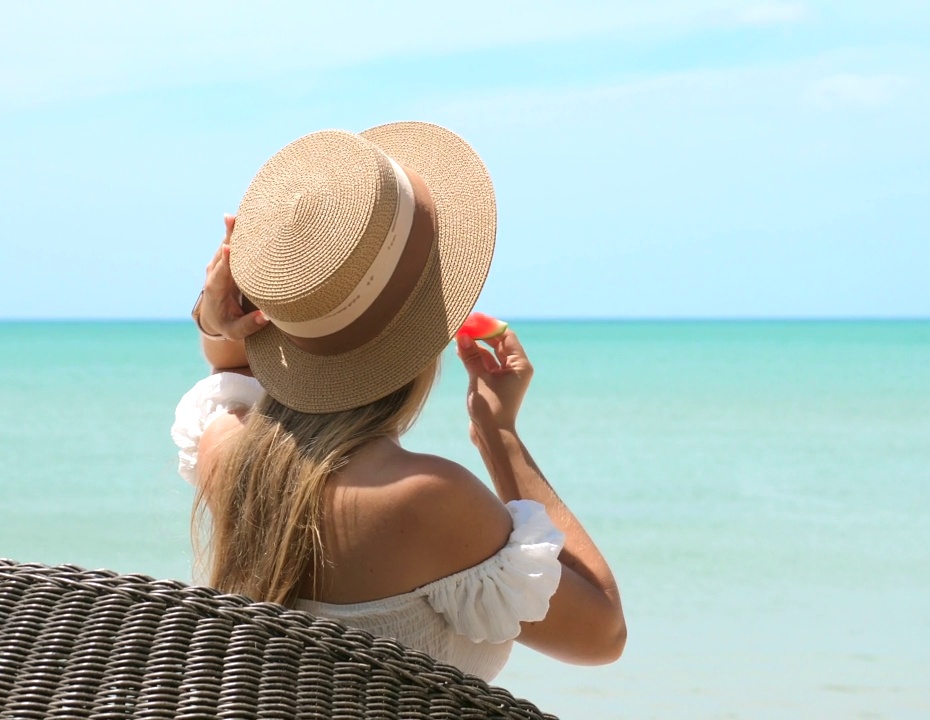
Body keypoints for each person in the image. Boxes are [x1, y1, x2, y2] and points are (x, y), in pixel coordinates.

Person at [170, 122, 625, 682]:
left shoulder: (226, 449)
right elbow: (604, 632)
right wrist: (498, 435)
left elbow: (230, 370)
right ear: (431, 331)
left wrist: (212, 317)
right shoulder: (428, 498)